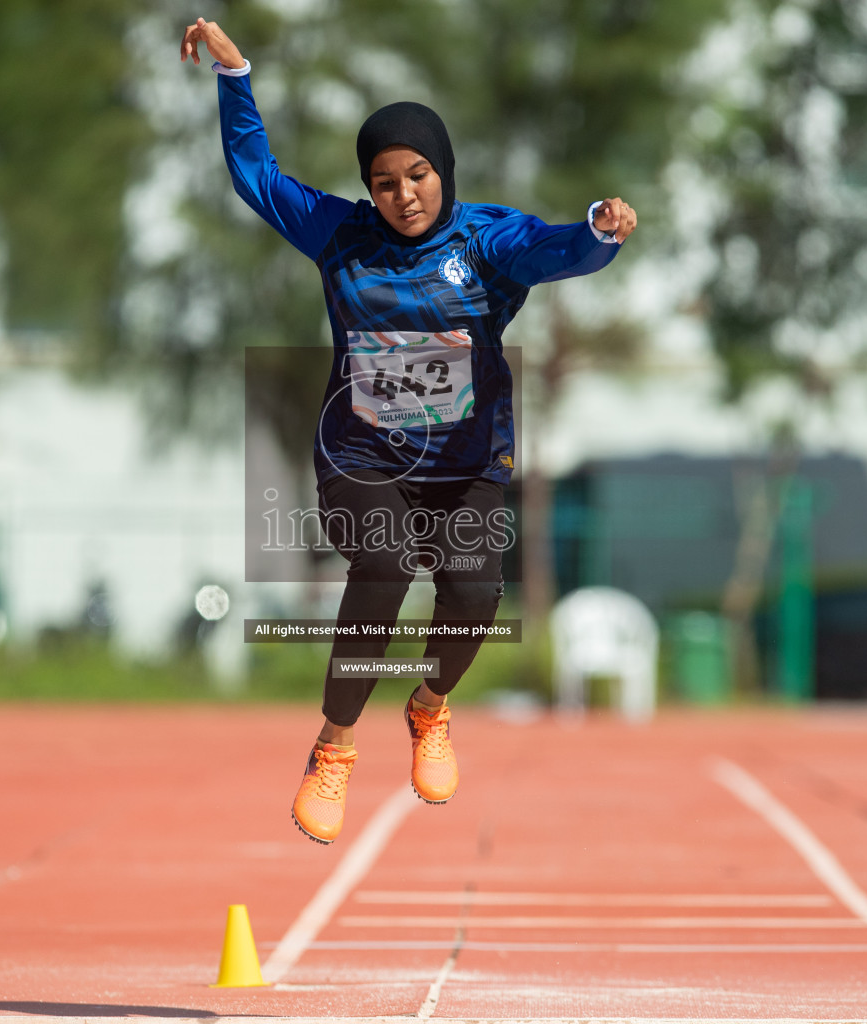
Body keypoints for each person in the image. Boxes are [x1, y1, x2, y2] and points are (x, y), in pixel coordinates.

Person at [181, 17, 636, 844]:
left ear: (443, 172)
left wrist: (598, 233)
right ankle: (336, 744)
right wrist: (235, 75)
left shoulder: (486, 239)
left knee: (473, 589)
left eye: (418, 176)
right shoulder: (340, 235)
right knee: (384, 562)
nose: (404, 196)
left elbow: (554, 250)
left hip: (466, 456)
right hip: (360, 454)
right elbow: (255, 174)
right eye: (384, 182)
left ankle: (429, 708)